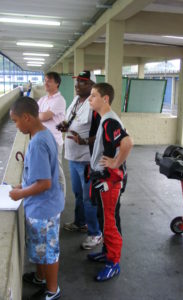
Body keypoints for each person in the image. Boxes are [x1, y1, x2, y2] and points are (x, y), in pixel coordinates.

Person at [9, 97, 64, 300]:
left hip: (44, 208)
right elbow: (39, 174)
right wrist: (23, 185)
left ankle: (52, 290)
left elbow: (44, 183)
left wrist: (19, 194)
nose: (16, 126)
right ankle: (41, 277)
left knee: (49, 251)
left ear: (26, 117)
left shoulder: (38, 143)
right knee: (41, 246)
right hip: (43, 206)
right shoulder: (43, 134)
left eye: (15, 121)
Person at [87, 82, 133, 282]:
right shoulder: (104, 119)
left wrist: (115, 163)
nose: (90, 99)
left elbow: (127, 143)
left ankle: (113, 263)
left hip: (110, 183)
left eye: (93, 95)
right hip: (102, 180)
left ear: (105, 99)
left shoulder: (110, 121)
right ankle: (107, 252)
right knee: (104, 219)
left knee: (109, 222)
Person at [57, 70, 102, 250]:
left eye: (83, 82)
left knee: (89, 198)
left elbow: (101, 135)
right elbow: (72, 119)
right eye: (77, 82)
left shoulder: (95, 107)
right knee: (78, 194)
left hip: (87, 160)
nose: (77, 85)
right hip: (73, 157)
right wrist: (65, 126)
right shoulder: (76, 101)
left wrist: (83, 141)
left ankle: (95, 233)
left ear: (92, 86)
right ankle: (80, 222)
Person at [38, 72, 66, 195]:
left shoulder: (59, 100)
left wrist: (39, 114)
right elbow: (35, 114)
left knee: (57, 171)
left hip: (54, 141)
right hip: (42, 140)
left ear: (57, 83)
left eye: (49, 80)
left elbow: (43, 116)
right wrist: (39, 115)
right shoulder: (43, 99)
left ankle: (61, 198)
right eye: (45, 80)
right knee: (45, 170)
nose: (46, 83)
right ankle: (51, 196)